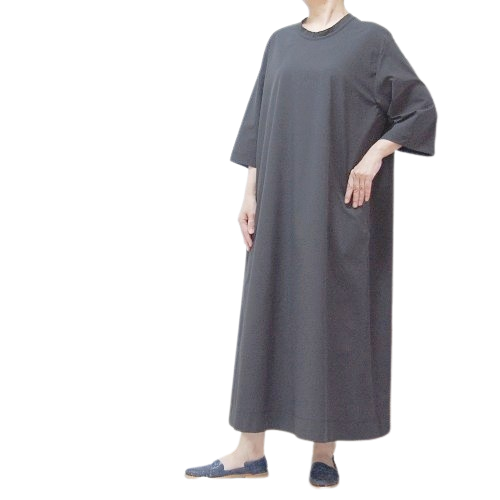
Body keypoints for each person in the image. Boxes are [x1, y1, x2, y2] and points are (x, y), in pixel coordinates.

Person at [185, 1, 437, 487]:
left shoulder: (370, 41)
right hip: (279, 202)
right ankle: (249, 451)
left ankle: (325, 452)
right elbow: (260, 122)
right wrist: (250, 192)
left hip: (333, 207)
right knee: (265, 310)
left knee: (329, 316)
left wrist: (375, 155)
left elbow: (418, 108)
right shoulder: (279, 42)